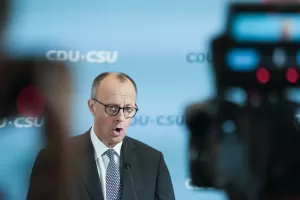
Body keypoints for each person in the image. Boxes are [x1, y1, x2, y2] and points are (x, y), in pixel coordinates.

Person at [27, 72, 176, 200]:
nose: (121, 117)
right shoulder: (56, 157)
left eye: (128, 109)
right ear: (92, 107)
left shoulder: (152, 161)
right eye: (112, 108)